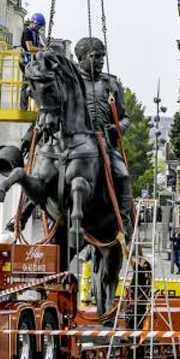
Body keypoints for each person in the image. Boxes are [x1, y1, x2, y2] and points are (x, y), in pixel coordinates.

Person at [75, 37, 132, 232]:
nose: (100, 61)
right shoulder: (72, 82)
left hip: (104, 146)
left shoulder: (111, 85)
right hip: (74, 144)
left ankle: (124, 223)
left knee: (123, 175)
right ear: (81, 58)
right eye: (95, 56)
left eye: (102, 57)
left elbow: (125, 118)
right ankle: (24, 214)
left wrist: (116, 129)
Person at [19, 13, 46, 110]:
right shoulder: (28, 32)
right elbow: (30, 48)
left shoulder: (36, 33)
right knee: (26, 82)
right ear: (33, 23)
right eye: (37, 25)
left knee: (35, 81)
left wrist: (45, 48)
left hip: (31, 61)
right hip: (25, 60)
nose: (38, 28)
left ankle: (36, 105)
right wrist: (42, 50)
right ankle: (23, 107)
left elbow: (40, 44)